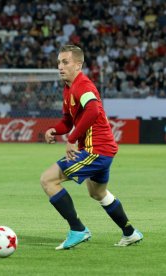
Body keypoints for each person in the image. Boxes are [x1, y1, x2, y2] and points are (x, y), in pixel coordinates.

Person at [40, 45, 143, 250]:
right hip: (102, 150)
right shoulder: (69, 88)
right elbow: (68, 120)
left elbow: (94, 110)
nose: (60, 66)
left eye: (65, 62)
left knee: (48, 180)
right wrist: (55, 130)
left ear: (78, 65)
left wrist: (72, 138)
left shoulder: (83, 86)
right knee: (98, 193)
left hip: (95, 149)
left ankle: (77, 229)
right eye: (59, 62)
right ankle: (130, 233)